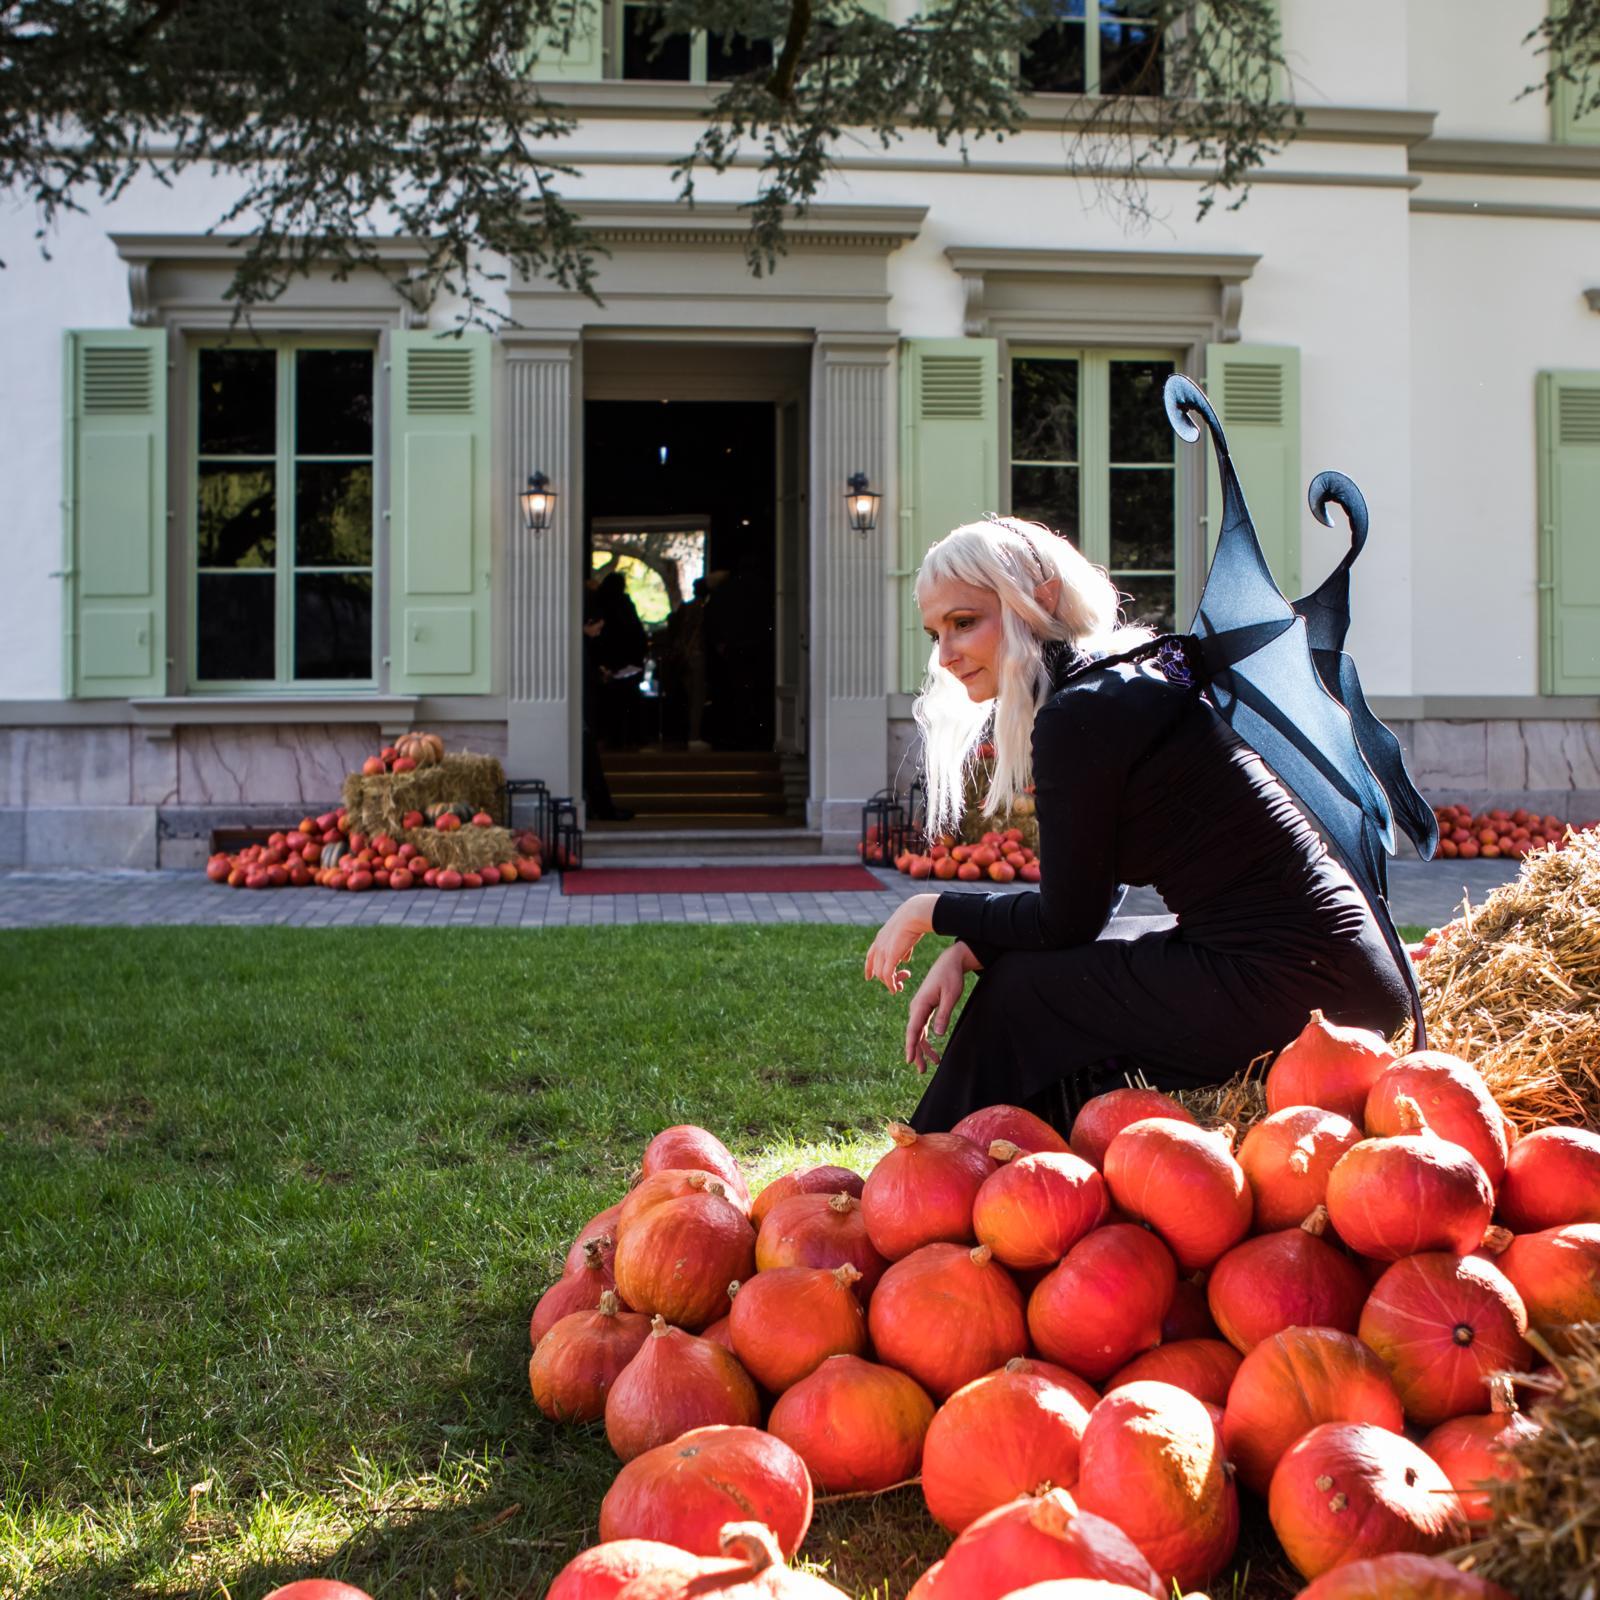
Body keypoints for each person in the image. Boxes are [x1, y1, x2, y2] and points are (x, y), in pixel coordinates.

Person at [863, 515, 1413, 1134]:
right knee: (1041, 972)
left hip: (1304, 996)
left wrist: (930, 909)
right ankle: (1029, 1158)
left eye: (964, 623)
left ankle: (939, 1159)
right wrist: (972, 947)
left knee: (1024, 991)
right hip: (1355, 977)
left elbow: (1067, 920)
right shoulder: (1125, 671)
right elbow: (1091, 896)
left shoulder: (1078, 715)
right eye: (936, 632)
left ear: (1040, 597)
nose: (945, 655)